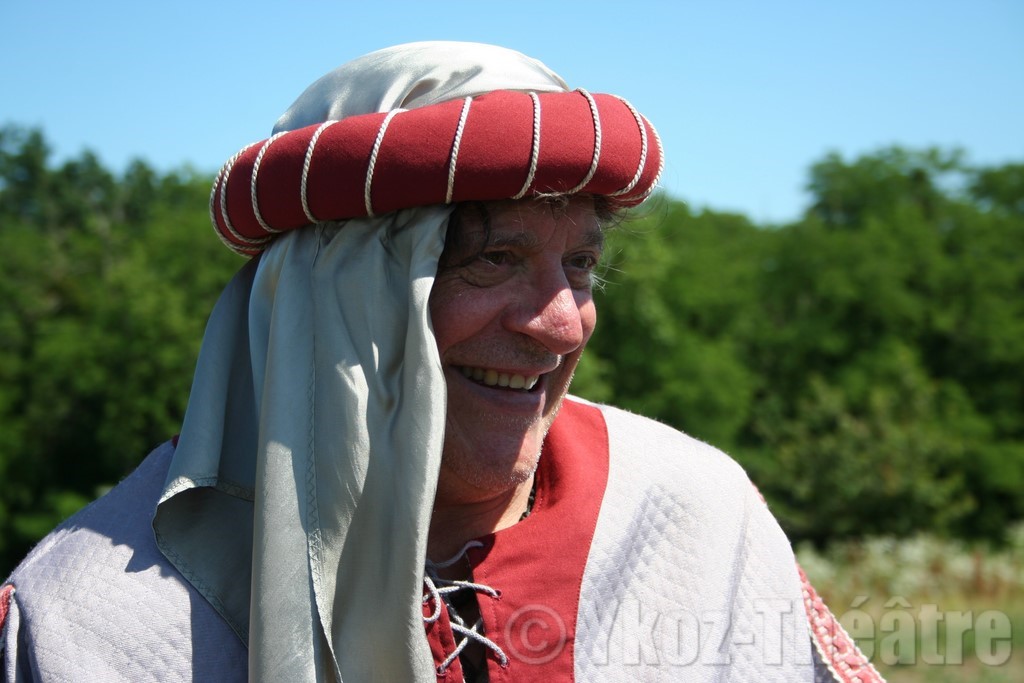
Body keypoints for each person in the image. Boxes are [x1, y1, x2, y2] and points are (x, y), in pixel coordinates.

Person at [0, 42, 881, 682]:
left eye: (579, 263)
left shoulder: (692, 518)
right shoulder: (94, 624)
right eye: (492, 259)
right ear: (336, 300)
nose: (562, 324)